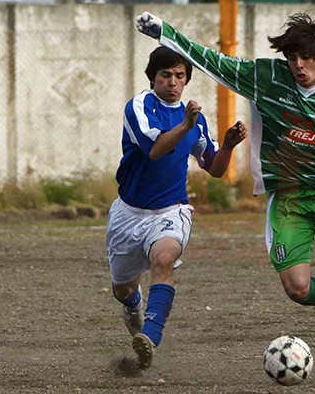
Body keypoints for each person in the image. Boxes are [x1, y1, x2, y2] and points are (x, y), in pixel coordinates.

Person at [135, 12, 315, 384]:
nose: (297, 65)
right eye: (291, 57)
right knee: (297, 289)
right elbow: (214, 61)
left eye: (305, 58)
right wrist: (165, 33)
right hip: (290, 199)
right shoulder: (268, 78)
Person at [106, 45, 247, 371]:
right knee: (122, 286)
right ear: (153, 77)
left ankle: (150, 337)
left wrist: (226, 145)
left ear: (186, 80)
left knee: (164, 258)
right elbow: (155, 150)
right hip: (129, 214)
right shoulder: (139, 107)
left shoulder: (194, 120)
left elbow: (213, 167)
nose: (172, 81)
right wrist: (185, 125)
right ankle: (133, 304)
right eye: (166, 75)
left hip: (171, 210)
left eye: (179, 76)